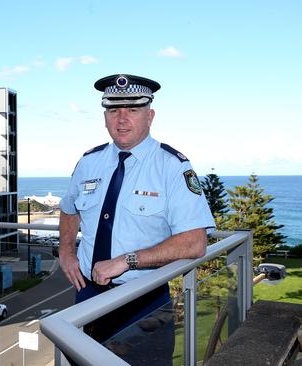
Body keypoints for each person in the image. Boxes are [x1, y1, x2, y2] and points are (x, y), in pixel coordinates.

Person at [58, 74, 215, 365]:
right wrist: (66, 252)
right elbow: (69, 209)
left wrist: (126, 260)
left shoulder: (172, 166)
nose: (121, 119)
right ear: (104, 116)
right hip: (88, 294)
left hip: (143, 300)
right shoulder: (89, 161)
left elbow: (195, 242)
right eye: (113, 110)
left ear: (150, 116)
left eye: (132, 110)